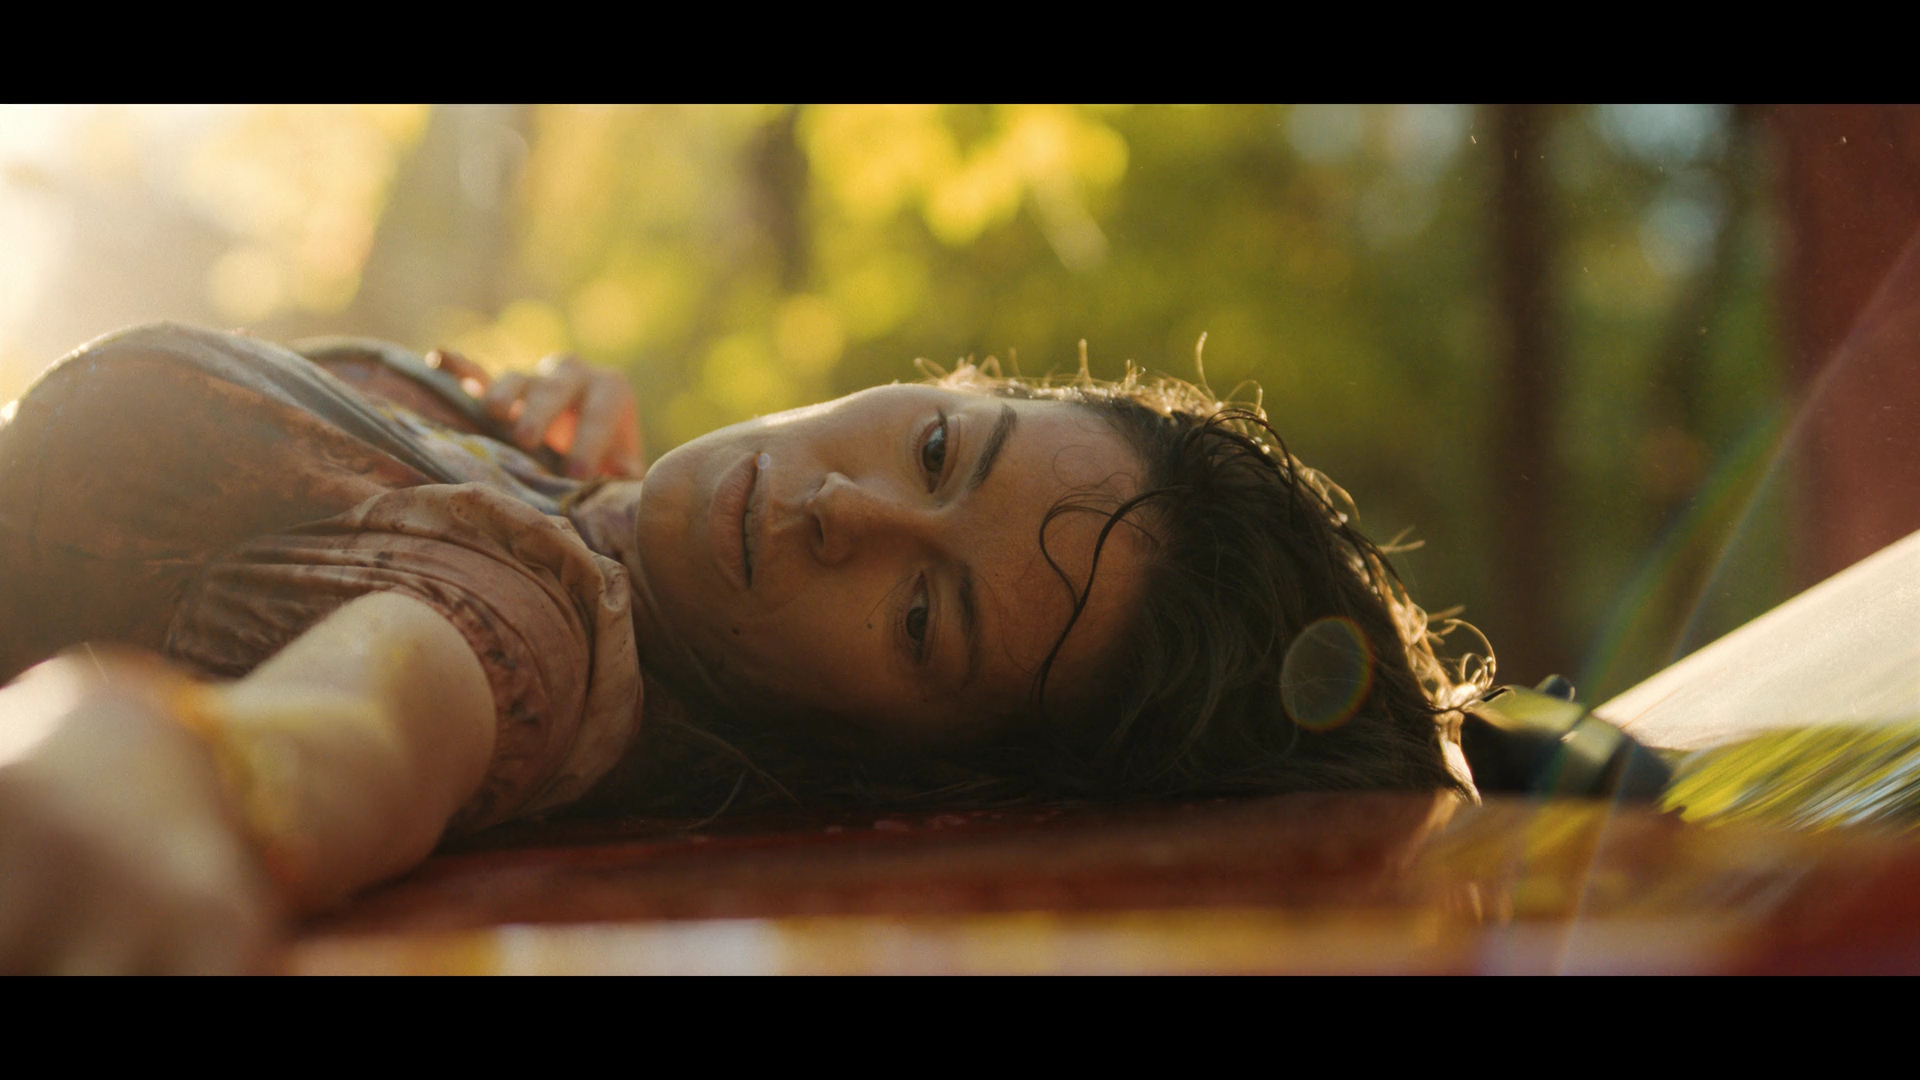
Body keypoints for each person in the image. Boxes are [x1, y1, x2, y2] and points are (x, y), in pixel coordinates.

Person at [0, 323, 1483, 972]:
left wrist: (176, 775)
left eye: (921, 618)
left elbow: (375, 715)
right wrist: (510, 442)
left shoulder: (527, 637)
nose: (846, 510)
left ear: (899, 767)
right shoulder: (583, 500)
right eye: (937, 447)